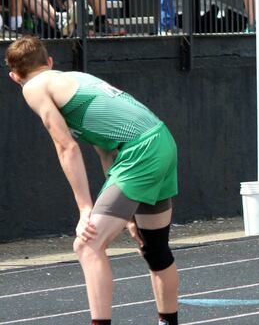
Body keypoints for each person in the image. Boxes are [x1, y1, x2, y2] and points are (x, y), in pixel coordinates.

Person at [5, 36, 180, 324]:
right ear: (49, 62)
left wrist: (85, 209)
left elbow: (66, 147)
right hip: (160, 141)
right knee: (155, 248)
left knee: (87, 245)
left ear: (14, 77)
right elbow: (105, 147)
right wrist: (127, 213)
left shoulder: (34, 87)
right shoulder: (74, 78)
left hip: (140, 152)